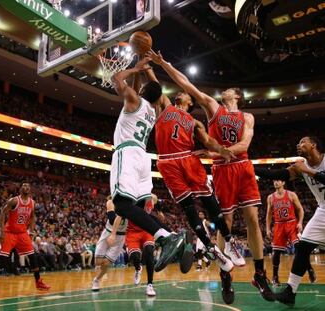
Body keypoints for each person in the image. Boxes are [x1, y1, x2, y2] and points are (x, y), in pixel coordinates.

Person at [147, 50, 274, 302]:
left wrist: (226, 150)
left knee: (252, 218)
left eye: (229, 90)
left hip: (242, 164)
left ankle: (259, 273)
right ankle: (225, 275)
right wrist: (163, 63)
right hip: (222, 168)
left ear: (237, 96)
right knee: (223, 220)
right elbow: (186, 83)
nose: (224, 91)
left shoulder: (247, 117)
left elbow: (246, 144)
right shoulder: (212, 107)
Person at [110, 57, 191, 273]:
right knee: (137, 210)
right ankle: (172, 236)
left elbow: (116, 78)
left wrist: (135, 69)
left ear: (143, 90)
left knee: (121, 206)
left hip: (127, 153)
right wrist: (140, 71)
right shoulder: (152, 111)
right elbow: (138, 90)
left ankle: (164, 238)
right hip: (143, 158)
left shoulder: (133, 100)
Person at [255, 136, 324, 305]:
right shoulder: (300, 166)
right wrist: (250, 168)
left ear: (313, 145)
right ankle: (290, 292)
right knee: (302, 248)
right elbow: (276, 174)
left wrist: (307, 171)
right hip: (323, 209)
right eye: (298, 142)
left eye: (302, 142)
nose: (298, 145)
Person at [0, 182, 49, 293]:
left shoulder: (32, 203)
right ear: (20, 189)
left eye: (28, 186)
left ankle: (38, 281)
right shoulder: (14, 201)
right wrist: (2, 231)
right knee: (3, 258)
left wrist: (31, 231)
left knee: (33, 256)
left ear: (30, 190)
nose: (26, 187)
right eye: (24, 185)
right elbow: (2, 214)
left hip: (22, 233)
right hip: (10, 233)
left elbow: (33, 217)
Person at [266, 180, 316, 286]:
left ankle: (310, 270)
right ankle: (275, 276)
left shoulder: (291, 194)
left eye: (278, 180)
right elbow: (269, 214)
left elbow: (300, 210)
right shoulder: (270, 197)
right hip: (278, 225)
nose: (275, 182)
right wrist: (267, 229)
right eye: (274, 180)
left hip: (292, 223)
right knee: (276, 252)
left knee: (300, 249)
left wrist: (300, 223)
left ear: (283, 182)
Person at [92, 197, 128, 292]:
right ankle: (98, 271)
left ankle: (97, 280)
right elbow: (112, 219)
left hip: (120, 237)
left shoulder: (131, 206)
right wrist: (125, 213)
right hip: (108, 233)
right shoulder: (110, 202)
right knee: (98, 262)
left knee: (106, 263)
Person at [125, 195, 158, 297]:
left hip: (146, 230)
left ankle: (150, 284)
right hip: (132, 232)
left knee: (149, 251)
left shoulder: (151, 199)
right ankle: (138, 268)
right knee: (135, 256)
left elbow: (155, 200)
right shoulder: (131, 198)